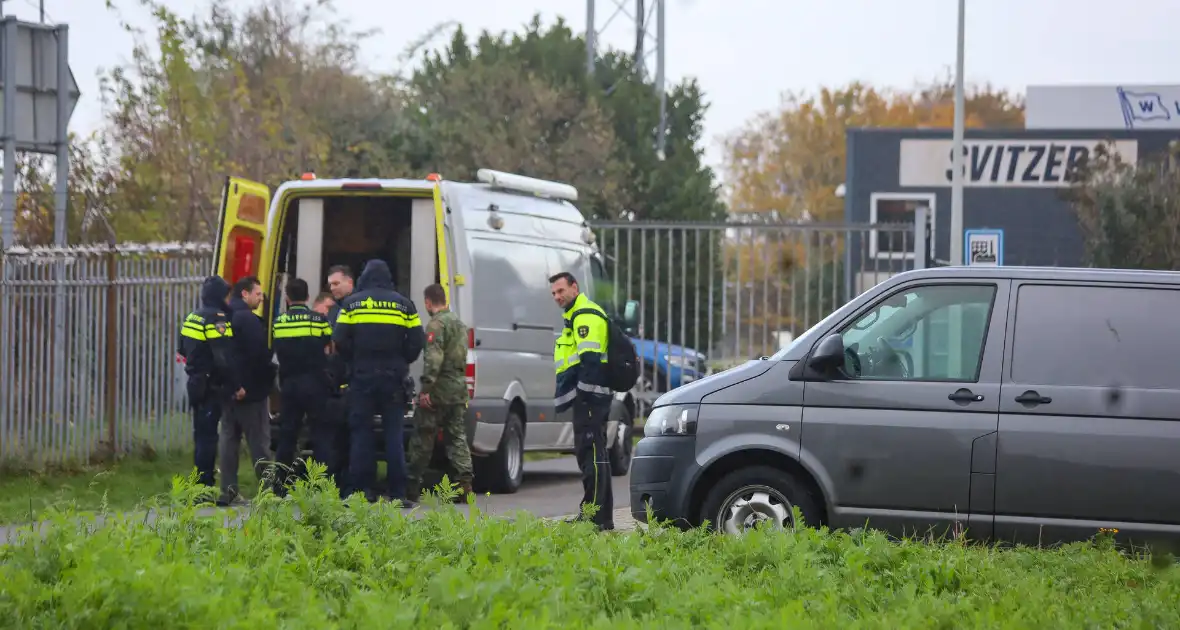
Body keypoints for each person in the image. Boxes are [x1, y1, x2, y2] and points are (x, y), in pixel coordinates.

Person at [333, 259, 425, 503]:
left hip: (362, 378)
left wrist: (354, 359)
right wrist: (402, 358)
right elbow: (417, 341)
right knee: (394, 435)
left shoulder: (352, 304)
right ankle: (397, 493)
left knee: (361, 434)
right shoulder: (405, 305)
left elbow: (339, 339)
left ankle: (362, 490)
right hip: (393, 378)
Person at [550, 271, 614, 531]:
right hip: (588, 397)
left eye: (561, 291)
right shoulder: (576, 314)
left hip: (590, 398)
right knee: (590, 455)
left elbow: (590, 361)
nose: (557, 297)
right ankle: (595, 513)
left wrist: (584, 397)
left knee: (592, 456)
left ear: (574, 288)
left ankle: (596, 516)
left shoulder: (585, 314)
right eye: (553, 293)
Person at [178, 276, 244, 495]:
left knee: (200, 433)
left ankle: (200, 481)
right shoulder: (216, 318)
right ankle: (204, 486)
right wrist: (236, 385)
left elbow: (182, 350)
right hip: (210, 384)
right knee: (208, 436)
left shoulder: (192, 316)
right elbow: (223, 358)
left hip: (195, 381)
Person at [408, 283, 474, 502]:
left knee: (423, 437)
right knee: (456, 437)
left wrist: (426, 389)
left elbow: (433, 359)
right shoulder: (459, 323)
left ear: (428, 302)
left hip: (439, 389)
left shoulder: (436, 325)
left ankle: (412, 485)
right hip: (458, 388)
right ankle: (464, 484)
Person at [271, 278, 334, 496]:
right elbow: (329, 344)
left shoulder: (279, 322)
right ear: (308, 297)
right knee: (321, 435)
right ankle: (322, 485)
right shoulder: (318, 320)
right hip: (315, 383)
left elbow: (277, 349)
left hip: (289, 384)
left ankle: (279, 485)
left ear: (287, 298)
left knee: (288, 435)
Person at [217, 275, 275, 506]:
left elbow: (221, 356)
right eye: (258, 294)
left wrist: (228, 386)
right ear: (245, 294)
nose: (261, 299)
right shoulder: (248, 320)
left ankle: (227, 491)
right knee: (259, 441)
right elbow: (257, 357)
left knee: (229, 440)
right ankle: (268, 492)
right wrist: (252, 386)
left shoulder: (222, 318)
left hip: (227, 391)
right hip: (249, 393)